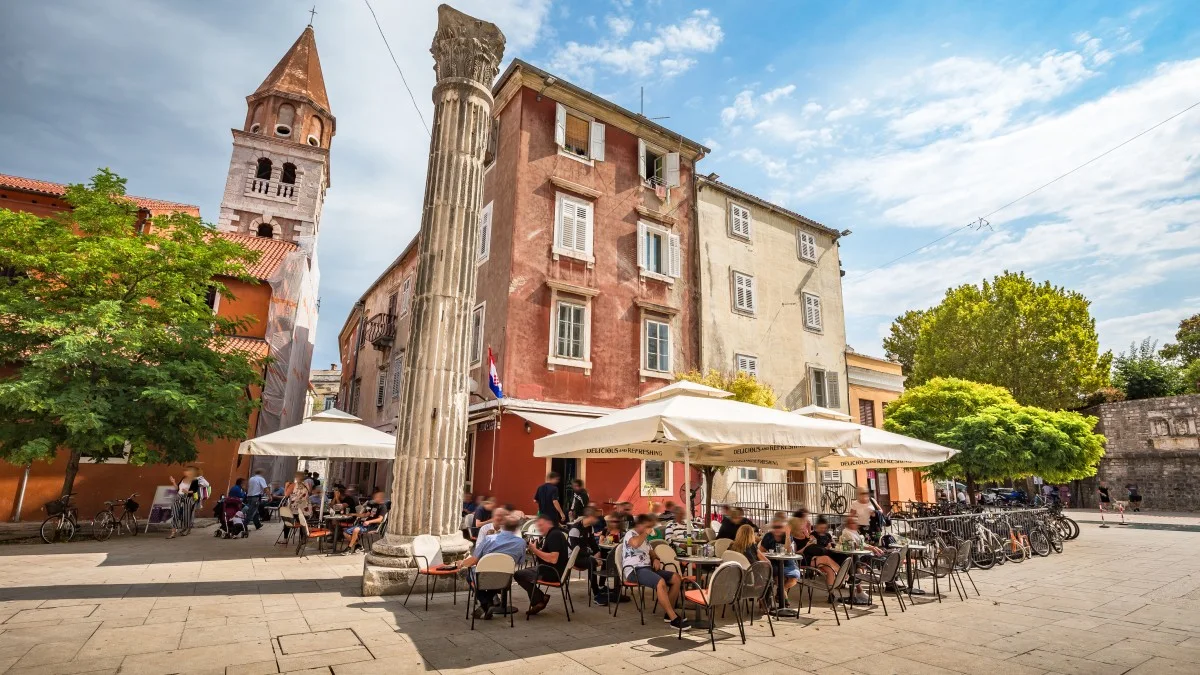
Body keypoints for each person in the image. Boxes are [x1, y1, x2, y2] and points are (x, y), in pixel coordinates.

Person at [451, 515, 527, 620]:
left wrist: (462, 563)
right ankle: (488, 603)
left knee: (470, 575)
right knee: (496, 576)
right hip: (505, 580)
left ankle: (485, 603)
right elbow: (520, 562)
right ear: (516, 528)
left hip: (484, 578)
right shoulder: (521, 543)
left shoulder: (489, 539)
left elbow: (473, 560)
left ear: (502, 526)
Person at [621, 514, 690, 629]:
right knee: (660, 582)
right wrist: (645, 533)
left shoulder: (645, 539)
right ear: (640, 525)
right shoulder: (630, 534)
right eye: (647, 526)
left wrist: (656, 559)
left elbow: (651, 552)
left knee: (676, 578)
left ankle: (669, 613)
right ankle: (674, 619)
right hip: (634, 570)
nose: (650, 528)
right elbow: (635, 544)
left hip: (647, 569)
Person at [515, 514, 570, 616]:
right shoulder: (554, 533)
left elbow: (553, 559)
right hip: (553, 569)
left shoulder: (554, 535)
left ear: (549, 523)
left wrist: (535, 550)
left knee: (518, 574)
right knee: (523, 573)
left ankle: (540, 600)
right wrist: (537, 550)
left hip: (552, 573)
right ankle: (539, 599)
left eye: (541, 525)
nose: (539, 528)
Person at [837, 515, 884, 604]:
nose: (857, 524)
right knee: (856, 563)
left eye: (856, 522)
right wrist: (871, 548)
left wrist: (873, 547)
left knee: (857, 564)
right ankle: (859, 590)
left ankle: (858, 590)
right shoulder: (846, 533)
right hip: (847, 556)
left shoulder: (855, 532)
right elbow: (854, 545)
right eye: (854, 522)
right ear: (849, 524)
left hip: (855, 556)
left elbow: (862, 543)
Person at [568, 508, 609, 605]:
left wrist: (598, 552)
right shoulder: (575, 529)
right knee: (591, 561)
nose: (597, 520)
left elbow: (593, 543)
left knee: (605, 556)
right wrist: (593, 557)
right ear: (590, 517)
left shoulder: (590, 528)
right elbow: (576, 550)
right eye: (595, 517)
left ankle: (602, 586)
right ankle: (596, 594)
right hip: (573, 557)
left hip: (584, 555)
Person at [759, 519, 802, 598]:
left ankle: (781, 591)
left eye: (779, 527)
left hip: (788, 561)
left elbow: (788, 551)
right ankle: (784, 599)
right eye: (775, 527)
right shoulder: (768, 536)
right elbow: (761, 551)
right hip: (773, 561)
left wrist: (787, 535)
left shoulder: (787, 535)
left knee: (794, 577)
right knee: (777, 575)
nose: (777, 529)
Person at [343, 490, 388, 554]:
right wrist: (353, 514)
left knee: (356, 530)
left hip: (373, 526)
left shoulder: (383, 507)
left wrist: (369, 522)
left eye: (377, 497)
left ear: (381, 498)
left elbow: (380, 519)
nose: (375, 498)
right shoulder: (373, 505)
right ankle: (358, 546)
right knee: (345, 532)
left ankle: (349, 548)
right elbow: (366, 515)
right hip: (365, 525)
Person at [167, 467, 201, 539]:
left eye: (187, 471)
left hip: (187, 498)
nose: (185, 472)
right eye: (185, 471)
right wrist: (173, 482)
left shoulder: (195, 480)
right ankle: (173, 532)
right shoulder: (183, 478)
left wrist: (187, 491)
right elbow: (177, 488)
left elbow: (195, 490)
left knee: (186, 515)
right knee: (175, 514)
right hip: (178, 497)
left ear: (191, 472)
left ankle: (187, 529)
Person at [280, 471, 312, 542]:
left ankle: (285, 539)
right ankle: (303, 539)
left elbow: (286, 495)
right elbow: (309, 493)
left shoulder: (293, 485)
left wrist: (286, 486)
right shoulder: (307, 485)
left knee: (288, 522)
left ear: (296, 477)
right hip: (305, 507)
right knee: (302, 523)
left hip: (295, 507)